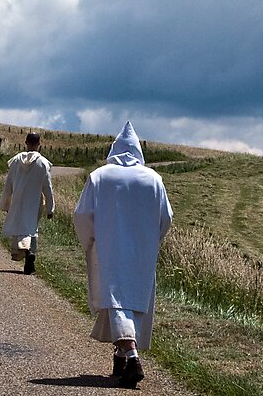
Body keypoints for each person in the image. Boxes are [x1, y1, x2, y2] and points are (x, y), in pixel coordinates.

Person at [73, 121, 173, 389]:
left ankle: (131, 356)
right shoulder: (154, 179)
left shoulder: (99, 176)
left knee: (116, 298)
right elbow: (166, 217)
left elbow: (82, 215)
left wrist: (90, 241)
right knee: (133, 300)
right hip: (142, 249)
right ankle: (119, 356)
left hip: (109, 245)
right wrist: (151, 240)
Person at [0, 132, 55, 275]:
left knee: (19, 225)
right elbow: (48, 188)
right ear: (39, 144)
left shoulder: (16, 161)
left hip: (18, 200)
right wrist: (50, 208)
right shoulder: (43, 163)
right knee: (32, 227)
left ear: (26, 142)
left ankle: (24, 251)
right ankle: (30, 254)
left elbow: (8, 184)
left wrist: (5, 203)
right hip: (35, 201)